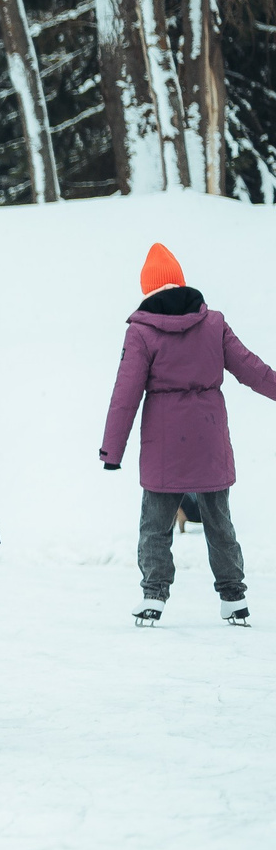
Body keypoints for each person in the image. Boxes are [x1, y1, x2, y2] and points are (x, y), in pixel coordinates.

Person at [100, 242, 276, 627]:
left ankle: (153, 596)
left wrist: (112, 451)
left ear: (148, 288)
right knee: (219, 521)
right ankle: (234, 598)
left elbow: (125, 394)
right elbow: (250, 368)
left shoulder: (141, 332)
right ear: (180, 282)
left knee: (155, 525)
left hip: (165, 445)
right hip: (210, 437)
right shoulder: (213, 323)